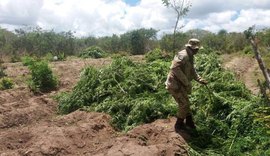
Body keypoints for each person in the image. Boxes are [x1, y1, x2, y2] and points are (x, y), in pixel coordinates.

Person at [165, 38, 207, 131]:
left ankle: (189, 122)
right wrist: (186, 82)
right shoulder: (182, 55)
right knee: (184, 104)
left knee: (186, 103)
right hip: (174, 84)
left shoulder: (190, 56)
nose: (197, 50)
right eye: (196, 49)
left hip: (181, 84)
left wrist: (199, 79)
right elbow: (174, 68)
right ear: (191, 48)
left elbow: (192, 70)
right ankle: (178, 126)